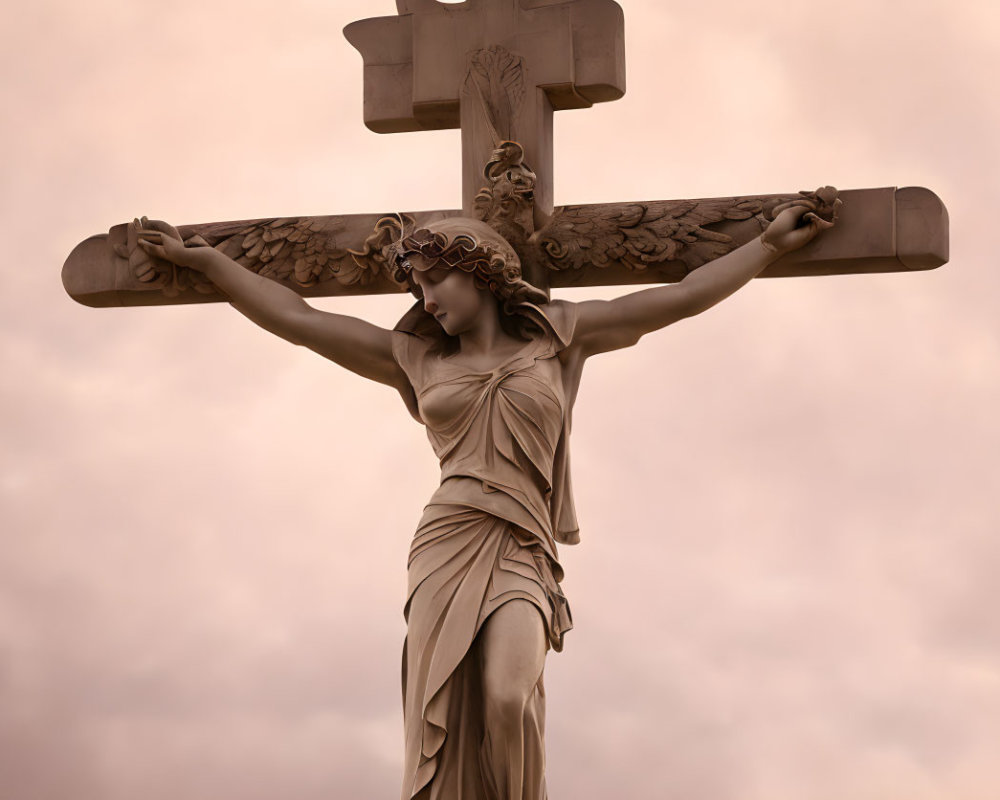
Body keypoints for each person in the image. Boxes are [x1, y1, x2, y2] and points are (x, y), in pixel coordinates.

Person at [136, 203, 828, 800]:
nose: (426, 297)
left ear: (481, 272)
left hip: (523, 546)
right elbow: (299, 319)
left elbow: (676, 299)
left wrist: (764, 246)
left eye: (436, 278)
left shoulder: (562, 337)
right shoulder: (418, 361)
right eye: (418, 284)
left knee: (507, 694)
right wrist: (209, 267)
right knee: (453, 708)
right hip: (448, 540)